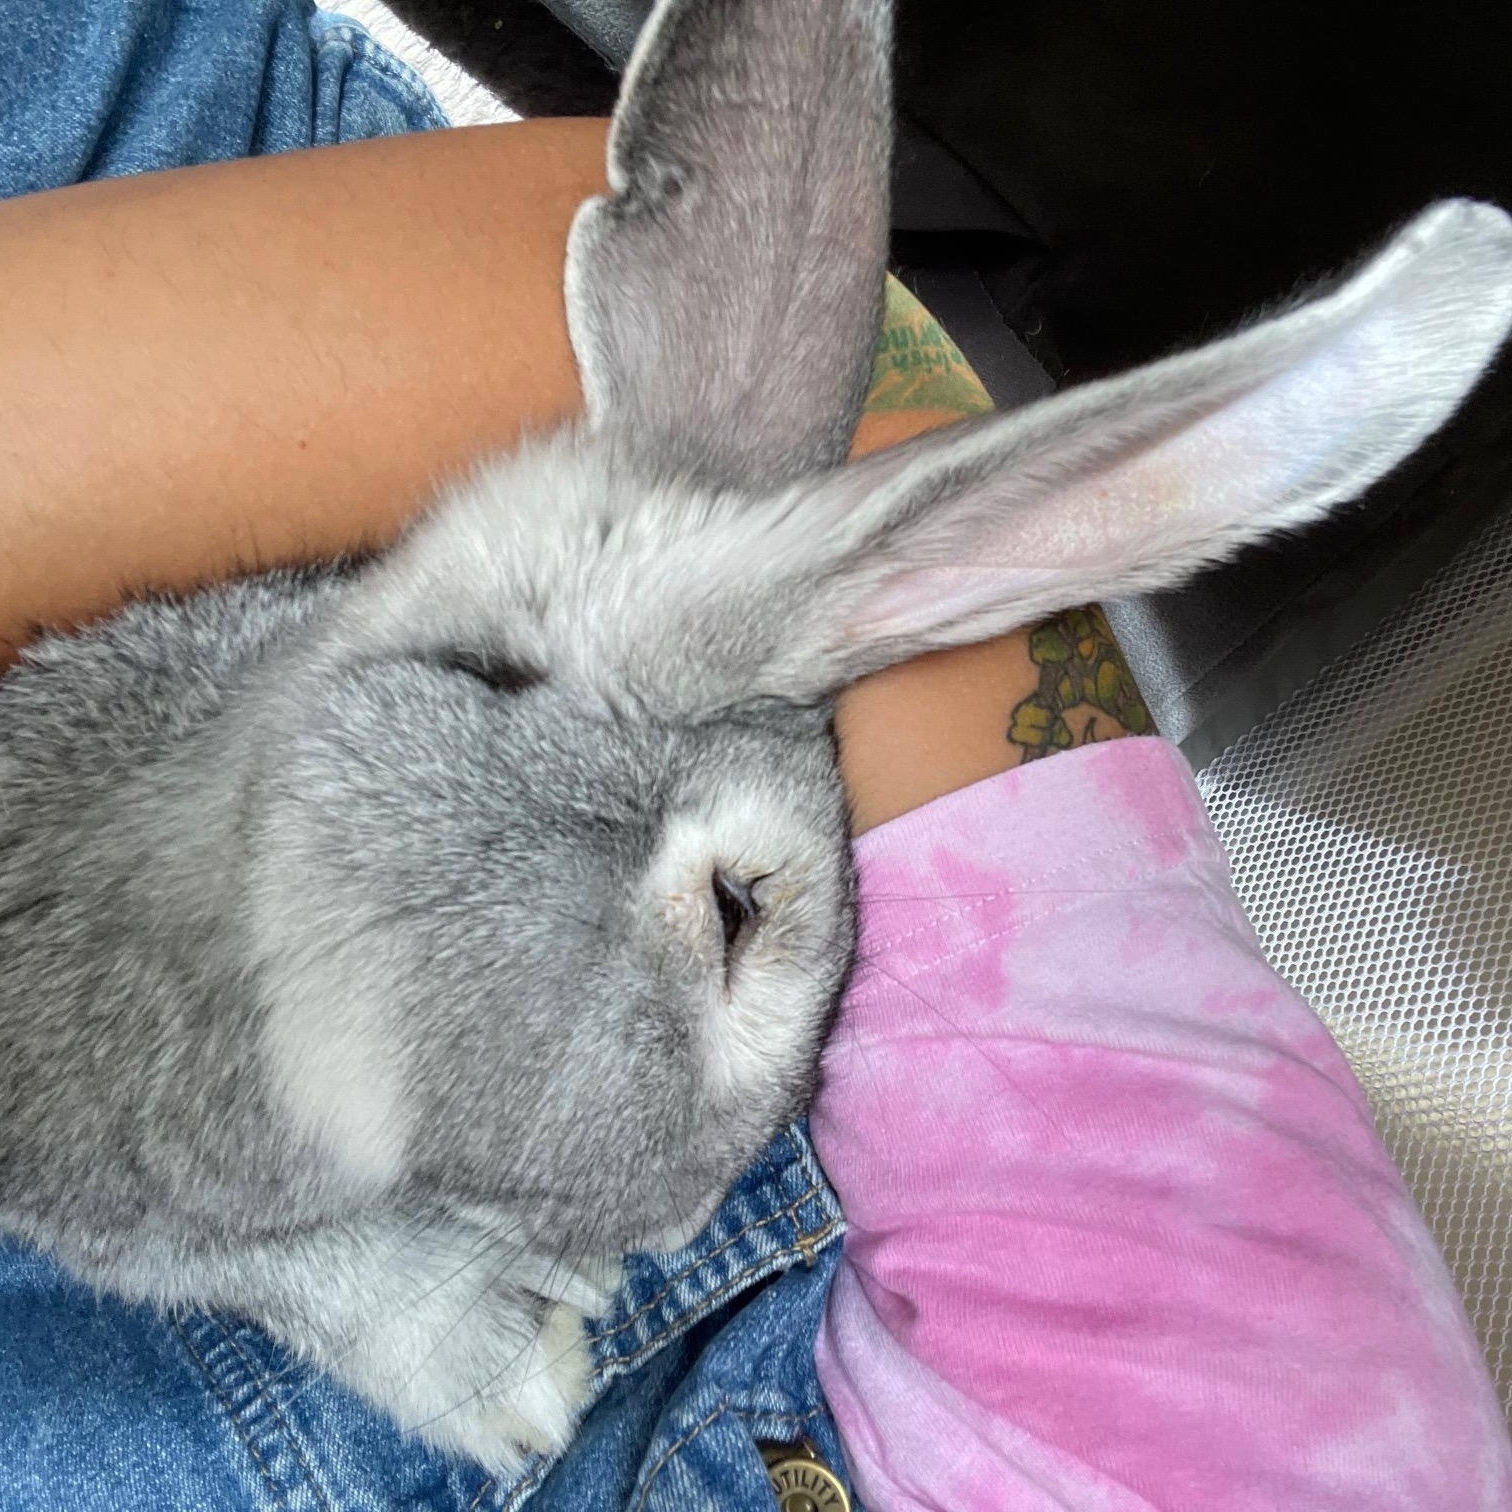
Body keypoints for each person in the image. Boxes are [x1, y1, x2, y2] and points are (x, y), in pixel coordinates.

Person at [1, 4, 1507, 1508]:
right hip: (180, 300)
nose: (664, 1217)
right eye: (734, 920)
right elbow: (585, 338)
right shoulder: (1265, 1440)